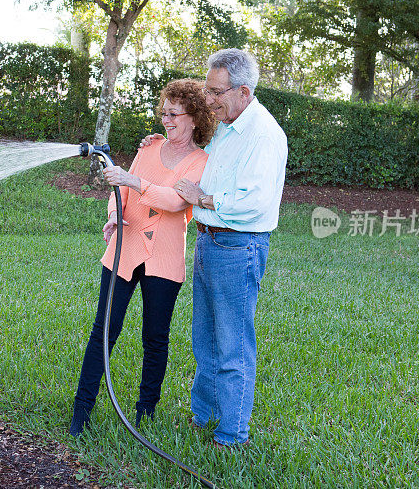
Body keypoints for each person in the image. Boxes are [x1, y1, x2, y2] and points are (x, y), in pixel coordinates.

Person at [148, 49, 288, 447]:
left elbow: (256, 202)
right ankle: (203, 415)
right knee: (205, 338)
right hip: (210, 243)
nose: (208, 100)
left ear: (243, 91)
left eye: (215, 92)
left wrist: (203, 198)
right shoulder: (229, 125)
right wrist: (165, 144)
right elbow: (200, 163)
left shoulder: (263, 135)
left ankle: (231, 435)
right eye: (207, 90)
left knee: (232, 345)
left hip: (237, 247)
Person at [69, 79, 215, 437]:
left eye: (174, 114)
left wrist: (133, 181)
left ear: (194, 118)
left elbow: (176, 201)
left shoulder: (202, 162)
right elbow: (119, 187)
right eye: (163, 112)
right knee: (104, 330)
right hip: (125, 247)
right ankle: (81, 412)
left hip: (164, 260)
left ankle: (144, 413)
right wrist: (113, 213)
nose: (166, 120)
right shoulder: (149, 148)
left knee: (155, 337)